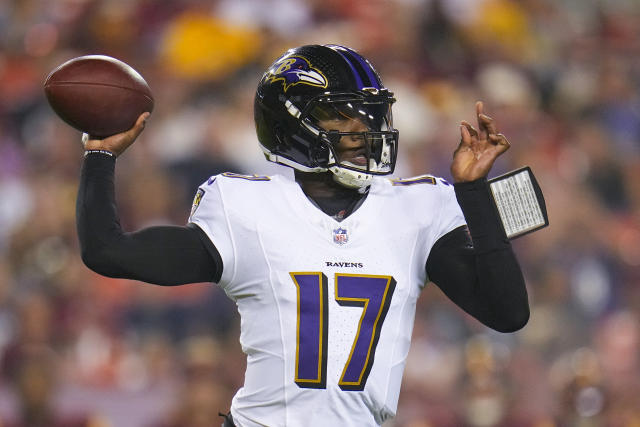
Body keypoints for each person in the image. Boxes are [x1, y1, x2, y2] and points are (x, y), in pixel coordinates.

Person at [77, 44, 529, 427]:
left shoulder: (417, 209)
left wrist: (474, 193)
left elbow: (508, 312)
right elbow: (108, 252)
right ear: (290, 126)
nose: (361, 131)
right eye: (341, 117)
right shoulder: (247, 209)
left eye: (367, 115)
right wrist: (100, 158)